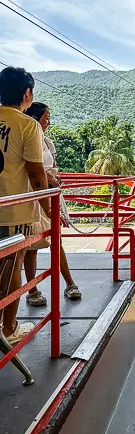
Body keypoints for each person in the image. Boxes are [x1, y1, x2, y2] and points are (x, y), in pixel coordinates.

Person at [0, 67, 50, 344]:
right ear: (27, 93)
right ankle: (8, 329)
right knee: (11, 269)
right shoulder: (27, 125)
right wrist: (48, 210)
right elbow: (36, 174)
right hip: (13, 210)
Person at [23, 102, 81, 304]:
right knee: (31, 245)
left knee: (56, 240)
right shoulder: (26, 140)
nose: (48, 121)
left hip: (51, 194)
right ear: (35, 118)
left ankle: (69, 282)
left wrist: (53, 177)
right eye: (46, 117)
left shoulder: (48, 143)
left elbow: (53, 167)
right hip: (32, 196)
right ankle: (32, 290)